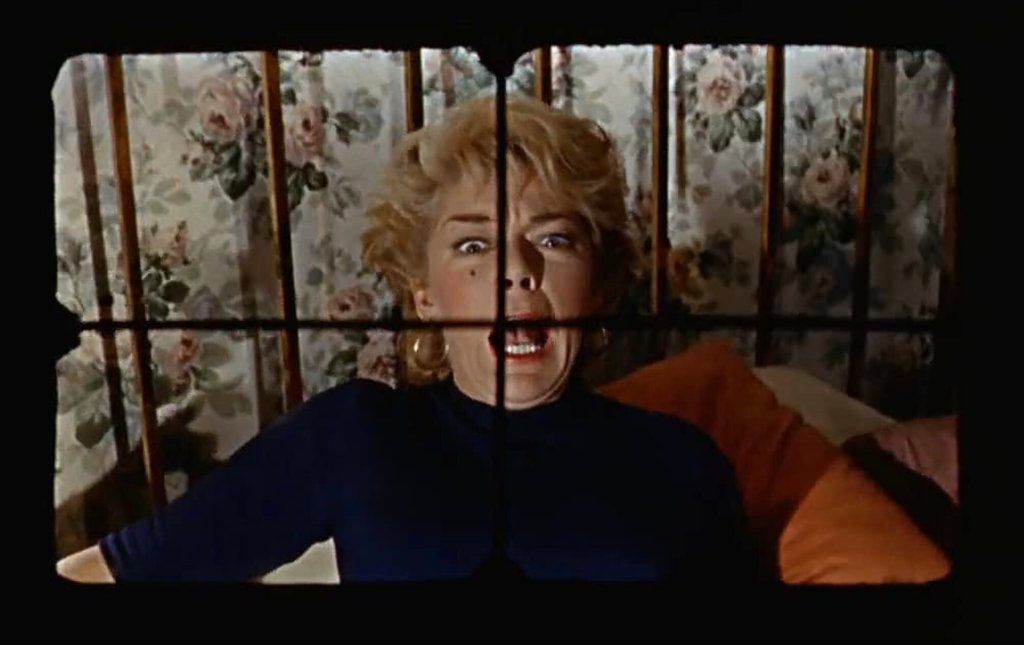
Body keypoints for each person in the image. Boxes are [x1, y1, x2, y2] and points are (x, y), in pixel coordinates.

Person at [57, 94, 759, 583]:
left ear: (599, 284)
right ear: (423, 292)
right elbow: (114, 572)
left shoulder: (681, 462)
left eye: (553, 239)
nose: (516, 270)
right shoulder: (357, 435)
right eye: (473, 245)